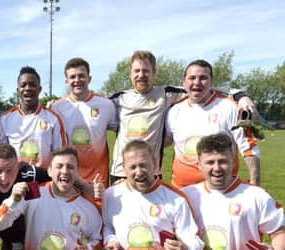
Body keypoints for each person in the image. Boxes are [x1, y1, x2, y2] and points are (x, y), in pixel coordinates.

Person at [109, 50, 255, 183]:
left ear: (154, 73)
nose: (141, 75)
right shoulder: (117, 99)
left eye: (146, 71)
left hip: (151, 171)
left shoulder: (166, 94)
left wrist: (241, 96)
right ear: (130, 74)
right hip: (121, 171)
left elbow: (205, 88)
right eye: (137, 71)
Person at [166, 59, 260, 188]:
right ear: (184, 82)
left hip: (221, 190)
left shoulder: (230, 107)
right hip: (182, 190)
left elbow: (249, 148)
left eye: (203, 78)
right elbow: (165, 141)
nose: (197, 82)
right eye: (192, 78)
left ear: (211, 82)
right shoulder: (174, 110)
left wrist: (255, 182)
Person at [48, 58, 117, 186]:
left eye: (81, 76)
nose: (77, 80)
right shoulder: (56, 107)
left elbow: (121, 133)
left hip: (97, 178)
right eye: (72, 77)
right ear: (66, 81)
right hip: (67, 177)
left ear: (89, 78)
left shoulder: (106, 105)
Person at [0, 66, 66, 168]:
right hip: (15, 180)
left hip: (44, 180)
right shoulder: (5, 119)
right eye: (23, 85)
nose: (27, 88)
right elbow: (1, 156)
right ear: (18, 91)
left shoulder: (53, 119)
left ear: (39, 89)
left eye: (32, 85)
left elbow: (61, 155)